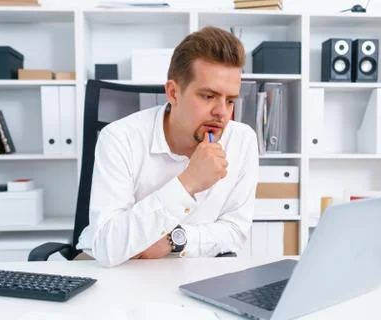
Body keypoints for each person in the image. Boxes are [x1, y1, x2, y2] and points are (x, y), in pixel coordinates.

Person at [76, 26, 259, 267]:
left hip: (193, 268)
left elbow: (235, 230)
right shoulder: (119, 138)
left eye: (230, 100)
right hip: (115, 268)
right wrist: (188, 183)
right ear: (173, 92)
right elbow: (109, 247)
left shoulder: (242, 140)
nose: (222, 112)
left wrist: (175, 240)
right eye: (208, 96)